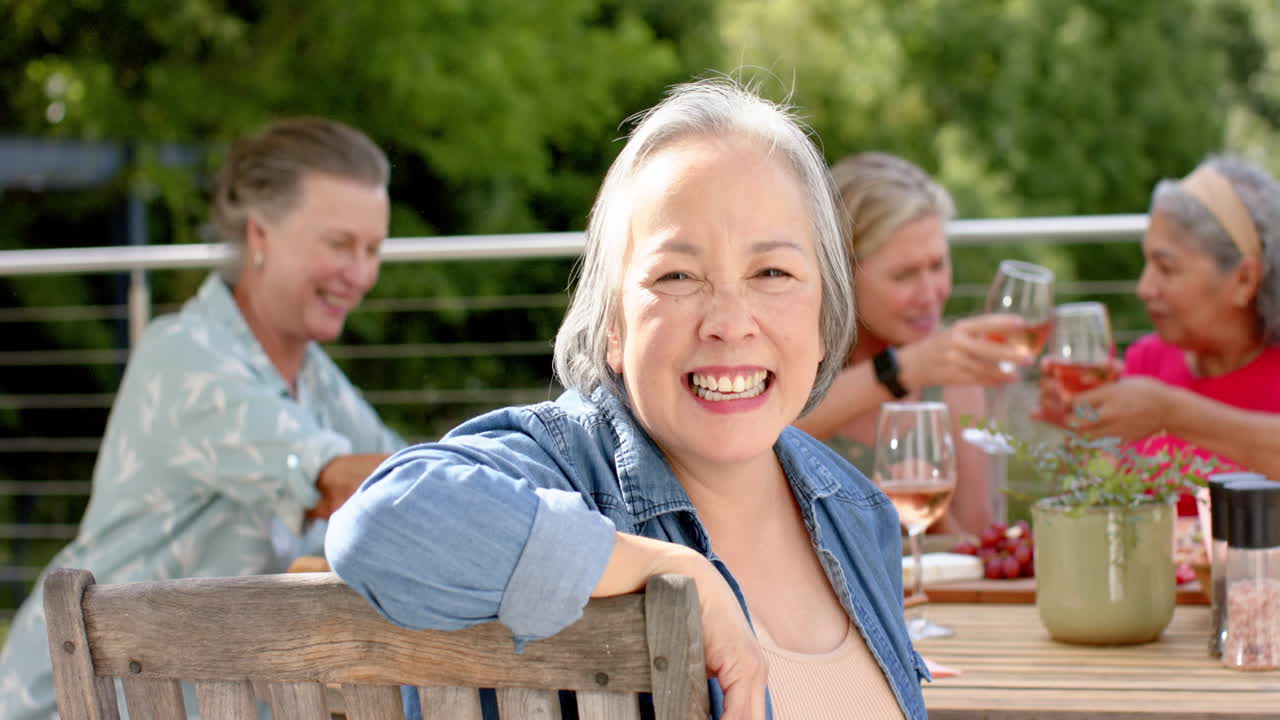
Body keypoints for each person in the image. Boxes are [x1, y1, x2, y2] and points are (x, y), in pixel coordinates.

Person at [327, 80, 928, 720]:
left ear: (822, 315)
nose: (730, 321)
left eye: (771, 273)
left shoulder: (858, 510)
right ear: (613, 324)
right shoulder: (564, 467)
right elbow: (382, 522)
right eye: (677, 276)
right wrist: (673, 574)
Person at [0, 117, 404, 718]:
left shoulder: (314, 378)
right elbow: (341, 480)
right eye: (339, 245)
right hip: (80, 698)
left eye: (373, 249)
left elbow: (411, 466)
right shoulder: (182, 355)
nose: (363, 273)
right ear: (260, 235)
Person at [793, 152, 1030, 535]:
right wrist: (904, 369)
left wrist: (927, 512)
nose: (930, 294)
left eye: (937, 266)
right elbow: (770, 433)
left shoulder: (952, 376)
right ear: (841, 271)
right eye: (904, 275)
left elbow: (974, 552)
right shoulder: (795, 354)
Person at [1040, 154, 1280, 514]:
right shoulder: (1146, 361)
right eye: (1147, 264)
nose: (1144, 288)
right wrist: (1084, 433)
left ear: (1243, 279)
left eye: (1166, 269)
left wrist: (1172, 413)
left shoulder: (1157, 397)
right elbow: (1100, 505)